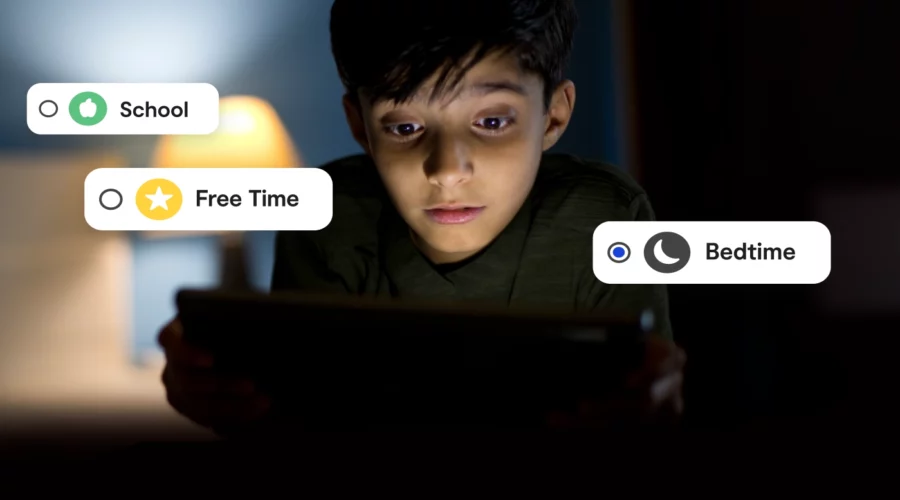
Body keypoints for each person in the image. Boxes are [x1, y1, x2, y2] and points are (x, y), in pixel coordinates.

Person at [159, 0, 686, 434]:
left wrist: (653, 406)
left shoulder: (603, 219)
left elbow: (650, 409)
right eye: (405, 128)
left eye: (493, 120)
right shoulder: (330, 217)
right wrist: (225, 389)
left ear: (553, 116)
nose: (447, 171)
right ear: (360, 126)